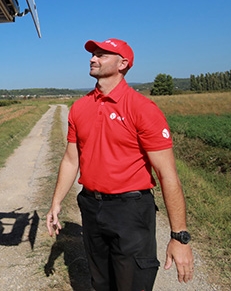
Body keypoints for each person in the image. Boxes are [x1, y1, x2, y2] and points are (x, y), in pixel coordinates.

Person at [45, 38, 194, 291]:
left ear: (123, 64)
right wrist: (56, 202)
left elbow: (168, 175)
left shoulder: (142, 108)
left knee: (132, 284)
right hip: (91, 206)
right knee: (100, 282)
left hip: (131, 210)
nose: (93, 58)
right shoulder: (80, 107)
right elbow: (72, 159)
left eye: (102, 55)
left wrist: (179, 237)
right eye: (93, 54)